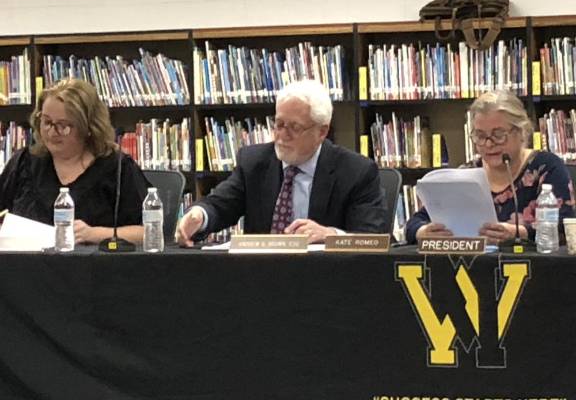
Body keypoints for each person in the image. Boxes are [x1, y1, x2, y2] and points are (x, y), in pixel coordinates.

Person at [176, 79, 387, 246]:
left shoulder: (356, 171)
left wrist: (330, 235)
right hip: (261, 278)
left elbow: (371, 238)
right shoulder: (253, 162)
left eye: (294, 128)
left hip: (325, 279)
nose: (281, 136)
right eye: (278, 124)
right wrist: (198, 216)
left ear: (321, 131)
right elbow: (221, 205)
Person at [406, 90, 575, 245]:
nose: (488, 144)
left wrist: (520, 233)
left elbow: (565, 228)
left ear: (521, 131)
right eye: (480, 136)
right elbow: (413, 224)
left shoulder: (547, 167)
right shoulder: (466, 173)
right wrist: (424, 232)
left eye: (498, 135)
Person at [0, 79, 150, 245]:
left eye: (63, 126)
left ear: (88, 128)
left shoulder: (118, 168)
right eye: (47, 122)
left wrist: (95, 234)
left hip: (93, 268)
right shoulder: (23, 162)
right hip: (25, 267)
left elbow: (149, 231)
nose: (51, 132)